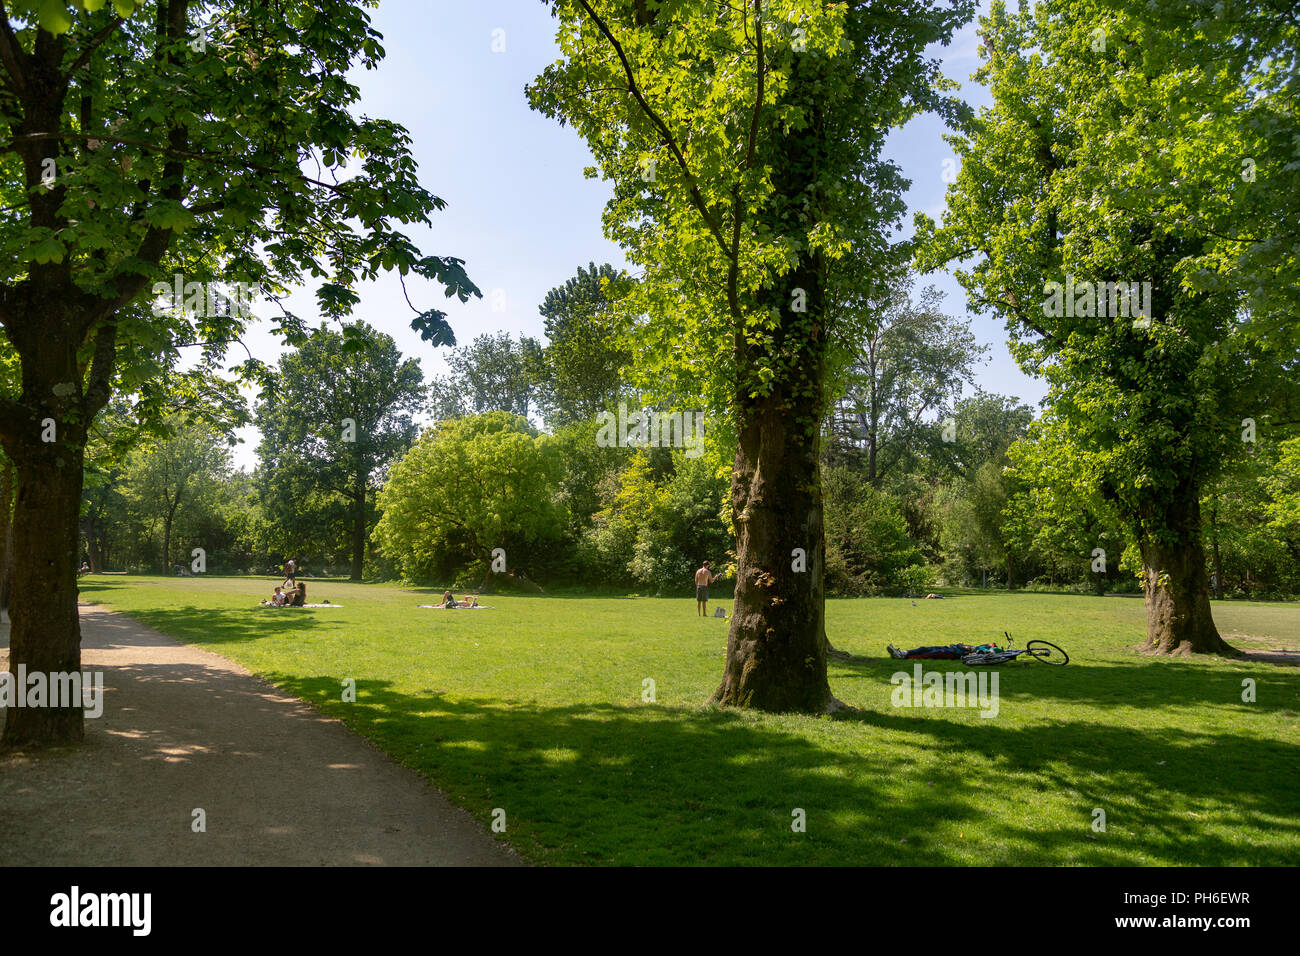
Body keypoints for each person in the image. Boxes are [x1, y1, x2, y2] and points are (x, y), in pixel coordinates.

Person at [887, 641, 1000, 660]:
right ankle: (903, 652)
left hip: (952, 653)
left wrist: (965, 648)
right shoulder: (982, 647)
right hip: (950, 648)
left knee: (928, 654)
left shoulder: (982, 652)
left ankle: (903, 656)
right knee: (924, 648)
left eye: (991, 646)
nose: (989, 645)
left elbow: (971, 654)